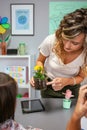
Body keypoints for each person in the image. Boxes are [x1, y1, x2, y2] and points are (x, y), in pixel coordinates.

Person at [30, 8, 87, 98]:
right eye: (65, 38)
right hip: (48, 87)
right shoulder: (51, 40)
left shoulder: (85, 53)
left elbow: (81, 76)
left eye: (75, 43)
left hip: (71, 91)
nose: (67, 46)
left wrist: (67, 81)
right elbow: (40, 61)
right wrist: (39, 76)